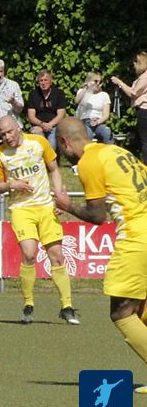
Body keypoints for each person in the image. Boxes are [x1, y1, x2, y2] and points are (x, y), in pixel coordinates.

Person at [54, 117, 147, 392]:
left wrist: (67, 206)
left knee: (121, 312)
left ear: (65, 142)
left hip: (137, 236)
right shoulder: (117, 151)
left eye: (61, 149)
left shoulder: (89, 162)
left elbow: (97, 216)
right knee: (141, 307)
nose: (64, 155)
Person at [0, 115, 77, 324]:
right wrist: (12, 184)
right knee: (29, 254)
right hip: (21, 209)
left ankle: (67, 307)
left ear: (18, 128)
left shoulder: (38, 143)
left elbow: (54, 169)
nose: (7, 137)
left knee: (57, 256)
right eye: (3, 134)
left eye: (9, 132)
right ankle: (28, 304)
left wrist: (59, 197)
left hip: (46, 206)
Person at [110, 51, 147, 162]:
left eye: (135, 63)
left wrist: (120, 83)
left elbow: (133, 93)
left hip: (144, 110)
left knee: (144, 140)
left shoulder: (145, 77)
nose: (134, 66)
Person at [25, 69, 67, 152]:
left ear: (51, 81)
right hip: (38, 125)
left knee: (52, 144)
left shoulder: (59, 93)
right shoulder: (33, 94)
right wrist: (42, 124)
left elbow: (61, 115)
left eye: (45, 80)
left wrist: (49, 125)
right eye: (41, 81)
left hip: (54, 126)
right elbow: (31, 116)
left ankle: (51, 159)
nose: (43, 83)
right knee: (39, 143)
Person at [75, 71, 113, 144]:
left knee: (106, 132)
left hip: (98, 121)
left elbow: (106, 115)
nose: (98, 84)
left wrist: (97, 122)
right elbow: (76, 101)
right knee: (87, 134)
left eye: (100, 82)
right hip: (84, 122)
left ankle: (110, 150)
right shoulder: (82, 91)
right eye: (95, 81)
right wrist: (86, 87)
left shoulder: (104, 95)